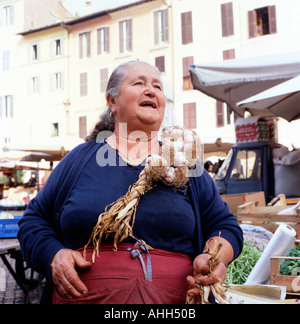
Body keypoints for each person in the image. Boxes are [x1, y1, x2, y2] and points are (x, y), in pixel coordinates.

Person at [18, 61, 243, 304]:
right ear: (112, 102)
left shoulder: (185, 166)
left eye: (158, 86)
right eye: (139, 83)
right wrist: (53, 255)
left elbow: (224, 225)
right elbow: (33, 220)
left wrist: (214, 257)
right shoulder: (79, 160)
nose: (152, 91)